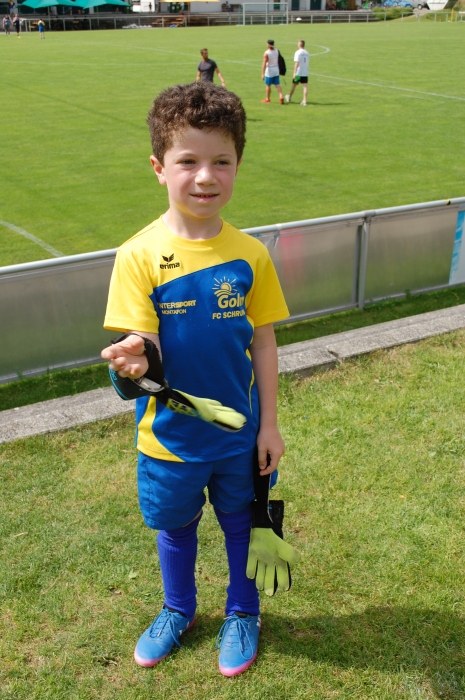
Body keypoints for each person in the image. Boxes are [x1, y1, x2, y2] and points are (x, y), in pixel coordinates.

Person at [100, 82, 289, 677]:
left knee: (242, 527)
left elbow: (263, 341)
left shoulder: (251, 255)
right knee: (176, 530)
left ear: (238, 165)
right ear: (159, 167)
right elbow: (144, 347)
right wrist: (136, 361)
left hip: (239, 437)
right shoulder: (137, 256)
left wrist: (270, 426)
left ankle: (244, 612)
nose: (205, 177)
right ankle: (178, 608)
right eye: (188, 161)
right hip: (170, 441)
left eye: (221, 162)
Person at [285, 39, 310, 106]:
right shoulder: (307, 52)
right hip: (305, 72)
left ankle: (289, 97)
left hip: (298, 73)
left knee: (294, 85)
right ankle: (304, 101)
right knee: (305, 86)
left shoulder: (298, 52)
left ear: (299, 45)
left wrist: (294, 73)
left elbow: (296, 63)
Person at [261, 39, 284, 105]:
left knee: (268, 85)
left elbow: (264, 63)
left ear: (268, 44)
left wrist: (262, 73)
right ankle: (281, 96)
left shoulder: (267, 53)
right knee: (277, 84)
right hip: (276, 69)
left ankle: (267, 99)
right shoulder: (277, 51)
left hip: (269, 70)